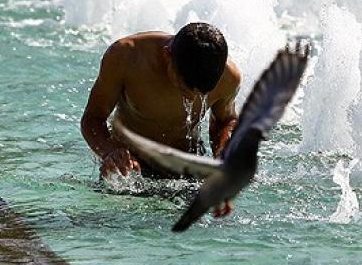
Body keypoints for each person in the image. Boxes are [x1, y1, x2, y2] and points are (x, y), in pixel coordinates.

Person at [81, 22, 242, 212]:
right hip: (132, 171)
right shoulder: (125, 57)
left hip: (186, 169)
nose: (190, 97)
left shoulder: (229, 77)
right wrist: (110, 151)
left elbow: (226, 121)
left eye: (201, 94)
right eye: (185, 88)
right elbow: (92, 119)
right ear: (167, 56)